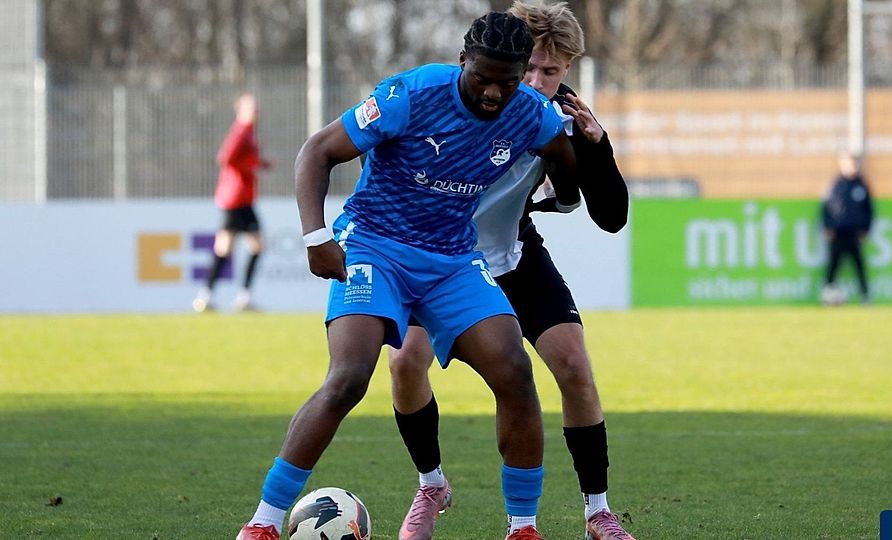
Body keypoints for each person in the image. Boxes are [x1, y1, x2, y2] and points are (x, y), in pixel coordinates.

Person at [237, 12, 582, 540]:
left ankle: (523, 527)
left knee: (514, 371)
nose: (493, 93)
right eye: (483, 77)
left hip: (451, 260)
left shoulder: (531, 113)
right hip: (376, 247)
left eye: (506, 82)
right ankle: (261, 525)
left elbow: (562, 154)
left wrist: (565, 191)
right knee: (350, 377)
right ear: (463, 61)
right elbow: (318, 152)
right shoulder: (411, 94)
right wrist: (316, 236)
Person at [388, 3, 633, 540]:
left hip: (513, 257)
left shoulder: (563, 121)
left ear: (567, 71)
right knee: (406, 362)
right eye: (529, 69)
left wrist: (598, 147)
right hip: (439, 258)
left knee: (572, 363)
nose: (536, 81)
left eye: (551, 71)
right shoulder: (464, 97)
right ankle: (431, 484)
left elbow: (611, 217)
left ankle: (597, 512)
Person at [193, 93, 270, 313]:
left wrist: (260, 164)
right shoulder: (241, 131)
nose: (255, 110)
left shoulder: (249, 133)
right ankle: (211, 297)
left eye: (256, 107)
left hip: (241, 199)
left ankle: (228, 297)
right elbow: (225, 158)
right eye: (250, 107)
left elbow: (244, 160)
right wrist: (251, 165)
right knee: (229, 248)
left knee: (251, 246)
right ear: (240, 110)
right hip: (236, 199)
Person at [821, 152, 873, 305]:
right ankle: (827, 295)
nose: (851, 167)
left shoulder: (861, 185)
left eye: (853, 163)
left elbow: (869, 210)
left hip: (854, 233)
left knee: (859, 265)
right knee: (833, 265)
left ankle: (865, 296)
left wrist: (866, 228)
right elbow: (827, 208)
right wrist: (827, 227)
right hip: (838, 232)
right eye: (848, 164)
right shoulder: (836, 184)